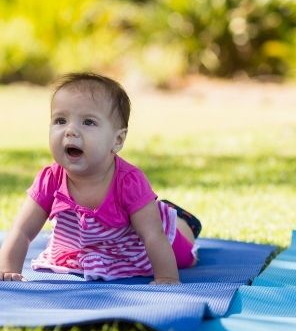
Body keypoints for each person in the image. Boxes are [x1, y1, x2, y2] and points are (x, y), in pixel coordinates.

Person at [0, 73, 202, 284]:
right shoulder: (50, 179)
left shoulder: (129, 182)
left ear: (117, 140)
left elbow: (153, 236)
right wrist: (7, 269)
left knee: (183, 255)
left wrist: (167, 277)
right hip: (86, 248)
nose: (70, 131)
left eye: (88, 122)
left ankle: (182, 219)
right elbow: (22, 230)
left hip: (135, 247)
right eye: (60, 120)